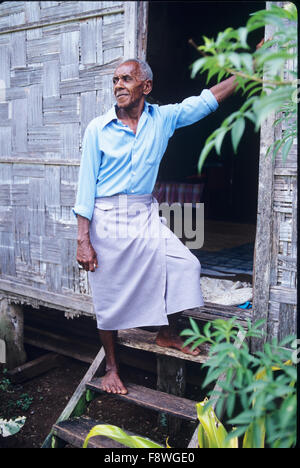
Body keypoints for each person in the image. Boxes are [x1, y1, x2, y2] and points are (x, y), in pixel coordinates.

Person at [73, 58, 240, 395]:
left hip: (144, 212)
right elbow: (85, 186)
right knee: (108, 296)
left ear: (145, 87)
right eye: (115, 80)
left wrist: (248, 71)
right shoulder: (98, 129)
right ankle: (111, 367)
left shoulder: (162, 119)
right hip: (107, 215)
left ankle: (168, 331)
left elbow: (207, 101)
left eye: (126, 79)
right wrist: (83, 239)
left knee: (184, 265)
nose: (119, 85)